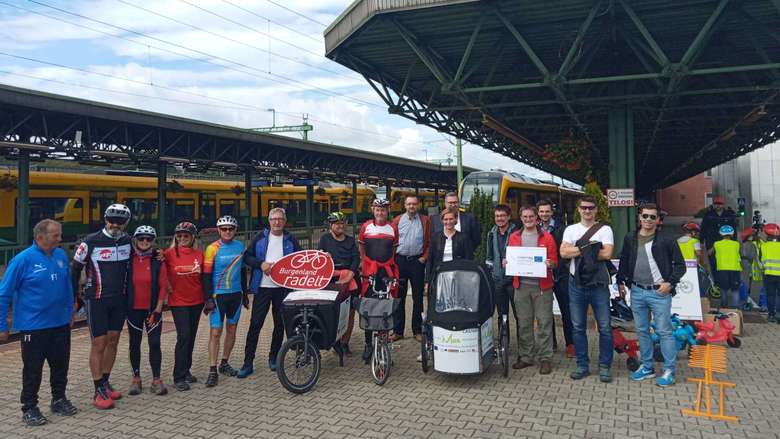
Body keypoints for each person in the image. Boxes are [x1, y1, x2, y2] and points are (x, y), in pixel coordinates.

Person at [0, 220, 78, 426]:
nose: (60, 239)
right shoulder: (22, 260)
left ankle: (59, 399)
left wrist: (71, 310)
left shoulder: (61, 255)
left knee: (60, 365)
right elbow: (3, 294)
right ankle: (29, 407)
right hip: (33, 327)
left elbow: (67, 286)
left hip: (60, 323)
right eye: (56, 235)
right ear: (40, 236)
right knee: (33, 369)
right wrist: (2, 326)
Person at [616, 203, 686, 388]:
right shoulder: (630, 237)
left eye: (652, 217)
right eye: (645, 216)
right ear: (639, 217)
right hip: (637, 291)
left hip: (659, 293)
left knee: (664, 332)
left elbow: (680, 265)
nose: (648, 220)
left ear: (658, 220)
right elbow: (624, 260)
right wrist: (620, 282)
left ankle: (669, 370)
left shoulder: (667, 239)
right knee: (642, 331)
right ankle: (647, 367)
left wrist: (669, 283)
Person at [71, 203, 133, 409]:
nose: (115, 224)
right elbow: (74, 270)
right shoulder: (90, 241)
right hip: (96, 299)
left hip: (119, 299)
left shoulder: (128, 240)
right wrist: (74, 297)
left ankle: (105, 382)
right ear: (105, 219)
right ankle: (97, 389)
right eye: (111, 220)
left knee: (113, 341)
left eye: (120, 221)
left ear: (126, 223)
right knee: (99, 342)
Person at [238, 207, 301, 377]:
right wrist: (260, 264)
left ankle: (273, 358)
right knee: (255, 325)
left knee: (279, 325)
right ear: (269, 221)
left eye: (280, 219)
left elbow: (302, 259)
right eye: (273, 219)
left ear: (285, 221)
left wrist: (321, 256)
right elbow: (247, 257)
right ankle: (247, 362)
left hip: (283, 289)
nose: (277, 222)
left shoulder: (291, 239)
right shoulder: (260, 237)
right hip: (263, 288)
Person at [560, 196, 615, 383]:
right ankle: (582, 365)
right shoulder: (570, 229)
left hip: (598, 285)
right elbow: (563, 253)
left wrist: (577, 248)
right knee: (577, 327)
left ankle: (605, 366)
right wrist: (591, 249)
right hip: (576, 284)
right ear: (579, 209)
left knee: (606, 327)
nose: (587, 211)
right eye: (584, 207)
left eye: (591, 208)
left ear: (596, 210)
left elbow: (607, 253)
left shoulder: (605, 229)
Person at [505, 206, 558, 374]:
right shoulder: (514, 237)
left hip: (542, 287)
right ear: (520, 218)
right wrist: (506, 263)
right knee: (524, 323)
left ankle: (545, 358)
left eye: (531, 216)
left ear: (537, 218)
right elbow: (510, 257)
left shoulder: (547, 237)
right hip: (521, 287)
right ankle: (526, 357)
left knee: (544, 323)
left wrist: (550, 263)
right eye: (525, 216)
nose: (528, 219)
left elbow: (555, 261)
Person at [202, 216, 248, 387]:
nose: (227, 231)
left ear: (235, 230)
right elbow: (206, 276)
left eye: (230, 228)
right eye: (224, 229)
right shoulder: (212, 248)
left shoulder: (239, 246)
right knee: (215, 332)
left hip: (235, 294)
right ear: (219, 230)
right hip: (217, 296)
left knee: (232, 329)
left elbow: (243, 272)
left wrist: (245, 294)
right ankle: (212, 369)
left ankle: (224, 363)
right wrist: (207, 299)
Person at [126, 225, 168, 396]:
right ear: (135, 239)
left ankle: (156, 379)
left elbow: (164, 285)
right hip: (133, 309)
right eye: (141, 238)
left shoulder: (157, 259)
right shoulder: (128, 258)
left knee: (155, 343)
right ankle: (136, 378)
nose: (145, 242)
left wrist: (158, 310)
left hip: (152, 309)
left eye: (149, 239)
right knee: (134, 344)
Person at [164, 221, 204, 391]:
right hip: (178, 301)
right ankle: (178, 376)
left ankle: (186, 369)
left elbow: (204, 277)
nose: (182, 238)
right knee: (184, 336)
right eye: (179, 235)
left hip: (197, 300)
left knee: (192, 336)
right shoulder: (168, 254)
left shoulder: (199, 254)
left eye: (186, 235)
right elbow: (159, 272)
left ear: (192, 237)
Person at [358, 198, 399, 363]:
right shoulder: (365, 226)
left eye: (383, 210)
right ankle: (368, 344)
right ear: (372, 210)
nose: (380, 212)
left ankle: (384, 344)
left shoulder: (393, 228)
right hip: (370, 271)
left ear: (387, 211)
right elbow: (361, 246)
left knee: (385, 307)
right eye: (377, 209)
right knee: (369, 306)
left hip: (386, 273)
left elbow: (394, 250)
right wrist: (363, 262)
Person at [318, 211, 360, 354]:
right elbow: (318, 259)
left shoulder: (350, 240)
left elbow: (356, 259)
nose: (340, 226)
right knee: (333, 311)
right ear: (331, 225)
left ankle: (345, 342)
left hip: (350, 279)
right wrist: (324, 256)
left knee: (350, 312)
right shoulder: (324, 239)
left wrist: (351, 273)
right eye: (337, 224)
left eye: (342, 223)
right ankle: (334, 340)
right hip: (331, 280)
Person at [537, 199, 575, 358]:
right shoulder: (534, 229)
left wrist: (561, 267)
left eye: (547, 211)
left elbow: (565, 252)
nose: (544, 214)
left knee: (567, 310)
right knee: (545, 312)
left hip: (560, 275)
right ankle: (551, 343)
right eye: (541, 211)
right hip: (542, 276)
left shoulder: (562, 229)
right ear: (538, 213)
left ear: (551, 212)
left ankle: (570, 344)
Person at [391, 195, 430, 342]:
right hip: (400, 262)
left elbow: (430, 241)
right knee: (399, 297)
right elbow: (391, 240)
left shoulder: (425, 221)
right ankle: (398, 331)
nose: (411, 207)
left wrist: (424, 257)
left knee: (418, 298)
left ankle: (417, 330)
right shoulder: (397, 220)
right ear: (405, 205)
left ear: (418, 205)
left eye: (414, 204)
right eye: (409, 204)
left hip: (417, 262)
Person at [485, 204, 518, 348]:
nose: (500, 218)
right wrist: (491, 273)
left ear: (509, 217)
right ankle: (503, 343)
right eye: (497, 216)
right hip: (498, 280)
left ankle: (523, 346)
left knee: (519, 315)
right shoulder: (491, 233)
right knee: (501, 314)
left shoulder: (516, 232)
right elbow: (489, 257)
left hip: (514, 281)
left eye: (503, 216)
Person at [426, 207, 474, 282]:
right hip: (439, 276)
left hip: (458, 276)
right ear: (442, 220)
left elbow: (468, 259)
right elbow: (430, 260)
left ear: (455, 220)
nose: (448, 222)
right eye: (445, 219)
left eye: (451, 219)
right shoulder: (435, 237)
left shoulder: (464, 238)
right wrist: (427, 281)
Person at [431, 192, 481, 258]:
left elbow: (476, 239)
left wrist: (469, 251)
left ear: (459, 203)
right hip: (441, 262)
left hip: (463, 260)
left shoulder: (470, 218)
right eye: (450, 203)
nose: (453, 205)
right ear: (445, 204)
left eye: (455, 202)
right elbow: (433, 241)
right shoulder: (435, 219)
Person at [709, 225, 742, 308]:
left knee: (723, 290)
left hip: (722, 269)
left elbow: (709, 253)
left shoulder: (716, 244)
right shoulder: (736, 244)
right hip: (735, 269)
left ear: (720, 234)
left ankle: (724, 307)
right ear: (732, 234)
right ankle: (735, 307)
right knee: (735, 290)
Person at [700, 196, 737, 268]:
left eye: (720, 204)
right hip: (711, 242)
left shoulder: (729, 215)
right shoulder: (708, 215)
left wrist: (734, 241)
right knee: (713, 263)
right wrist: (701, 241)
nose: (718, 205)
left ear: (723, 205)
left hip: (726, 243)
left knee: (725, 262)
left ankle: (723, 277)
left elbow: (734, 229)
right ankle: (716, 278)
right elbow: (703, 228)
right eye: (716, 203)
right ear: (713, 204)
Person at [761, 223, 780, 323]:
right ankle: (779, 315)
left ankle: (771, 315)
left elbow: (762, 261)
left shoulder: (764, 246)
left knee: (771, 295)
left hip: (769, 274)